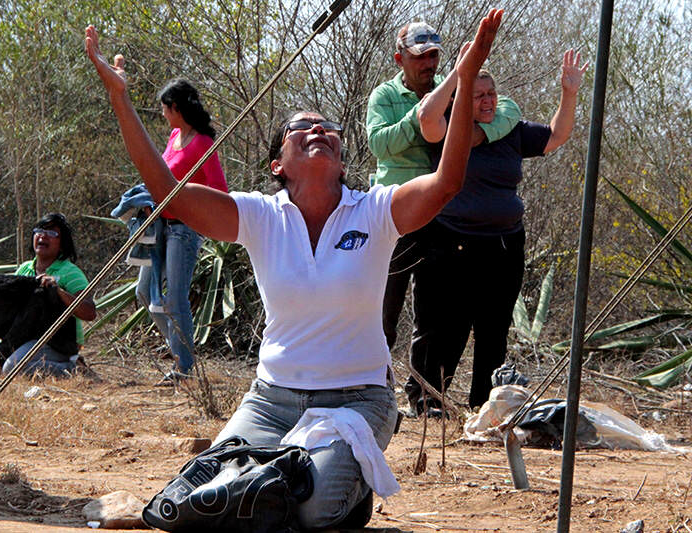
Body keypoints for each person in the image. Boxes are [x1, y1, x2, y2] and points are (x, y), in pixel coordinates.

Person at [86, 9, 501, 529]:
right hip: (270, 403)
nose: (319, 131)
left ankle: (328, 483)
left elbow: (446, 182)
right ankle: (280, 475)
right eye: (301, 127)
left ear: (343, 157)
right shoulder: (260, 216)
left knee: (311, 506)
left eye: (328, 128)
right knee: (185, 503)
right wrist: (120, 99)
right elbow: (169, 195)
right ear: (277, 163)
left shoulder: (375, 210)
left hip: (358, 402)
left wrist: (466, 79)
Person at [413, 49, 588, 409]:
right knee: (449, 326)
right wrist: (462, 73)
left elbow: (555, 136)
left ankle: (485, 404)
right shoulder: (448, 129)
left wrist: (568, 94)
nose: (488, 100)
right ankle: (430, 400)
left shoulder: (510, 132)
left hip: (505, 244)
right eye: (478, 95)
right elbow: (427, 117)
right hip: (452, 241)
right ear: (464, 99)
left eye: (492, 93)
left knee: (494, 328)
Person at [366, 20, 522, 418]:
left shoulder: (454, 94)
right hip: (393, 214)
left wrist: (478, 134)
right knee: (381, 309)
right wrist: (423, 117)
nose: (428, 64)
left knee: (433, 315)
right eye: (420, 57)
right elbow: (380, 143)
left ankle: (422, 398)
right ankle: (370, 392)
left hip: (439, 218)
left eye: (434, 56)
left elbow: (501, 110)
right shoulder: (386, 95)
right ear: (400, 58)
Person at [133, 79, 227, 383]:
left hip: (185, 229)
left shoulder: (202, 143)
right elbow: (162, 174)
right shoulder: (174, 136)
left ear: (176, 108)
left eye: (164, 108)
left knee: (175, 298)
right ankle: (179, 347)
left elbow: (220, 190)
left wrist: (190, 199)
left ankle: (184, 368)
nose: (162, 113)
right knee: (144, 291)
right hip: (160, 223)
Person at [0, 213, 97, 377]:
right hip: (22, 337)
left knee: (11, 369)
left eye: (52, 233)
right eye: (39, 231)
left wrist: (59, 292)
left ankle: (75, 369)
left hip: (57, 342)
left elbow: (89, 312)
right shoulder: (24, 269)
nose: (43, 236)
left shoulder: (70, 273)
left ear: (62, 244)